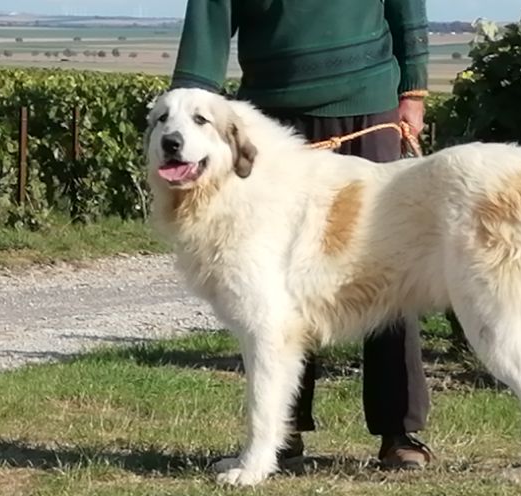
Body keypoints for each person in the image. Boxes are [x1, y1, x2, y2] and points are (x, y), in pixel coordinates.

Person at [169, 0, 434, 470]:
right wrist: (186, 111)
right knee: (279, 288)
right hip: (274, 111)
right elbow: (208, 18)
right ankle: (281, 434)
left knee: (387, 268)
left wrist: (412, 92)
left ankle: (400, 431)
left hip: (368, 101)